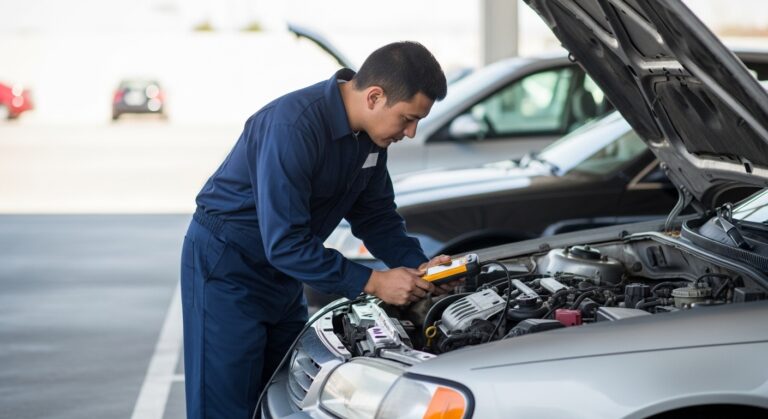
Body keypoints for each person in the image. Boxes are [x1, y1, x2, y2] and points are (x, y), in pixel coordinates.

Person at [180, 41, 452, 418]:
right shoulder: (292, 126)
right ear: (374, 96)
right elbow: (286, 241)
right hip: (227, 268)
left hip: (284, 270)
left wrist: (420, 269)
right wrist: (374, 282)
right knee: (225, 403)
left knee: (285, 392)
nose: (411, 132)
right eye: (407, 118)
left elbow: (376, 217)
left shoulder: (370, 140)